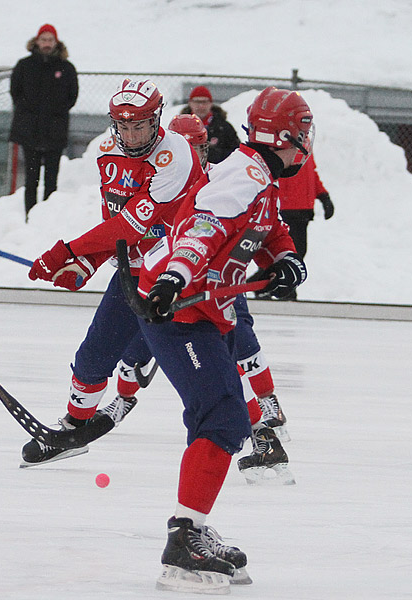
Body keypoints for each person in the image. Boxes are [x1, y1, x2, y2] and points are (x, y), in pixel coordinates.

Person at [134, 86, 313, 592]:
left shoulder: (259, 176)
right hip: (176, 311)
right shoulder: (243, 175)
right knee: (223, 416)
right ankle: (184, 537)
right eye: (301, 136)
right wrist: (174, 278)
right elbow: (203, 227)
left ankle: (190, 526)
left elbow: (268, 225)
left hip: (203, 312)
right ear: (284, 136)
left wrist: (284, 258)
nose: (304, 145)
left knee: (217, 415)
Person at [22, 78, 203, 467]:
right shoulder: (106, 150)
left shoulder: (177, 154)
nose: (131, 134)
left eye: (139, 125)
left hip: (183, 272)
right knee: (92, 357)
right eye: (123, 125)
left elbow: (132, 225)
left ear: (157, 120)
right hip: (138, 270)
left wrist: (67, 252)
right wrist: (86, 264)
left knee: (206, 363)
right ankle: (72, 428)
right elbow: (116, 220)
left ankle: (258, 429)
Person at [113, 113, 294, 483]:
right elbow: (160, 228)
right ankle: (123, 398)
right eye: (186, 146)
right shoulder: (162, 176)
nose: (194, 152)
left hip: (209, 287)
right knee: (137, 352)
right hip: (170, 288)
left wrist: (283, 257)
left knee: (239, 351)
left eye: (199, 145)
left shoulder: (232, 175)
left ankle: (263, 422)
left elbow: (251, 225)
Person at [9, 23, 79, 220]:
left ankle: (47, 219)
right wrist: (28, 114)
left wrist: (56, 112)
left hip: (55, 133)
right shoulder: (24, 66)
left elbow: (72, 96)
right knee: (31, 180)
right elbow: (16, 93)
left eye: (50, 40)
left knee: (51, 180)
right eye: (43, 39)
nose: (47, 43)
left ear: (56, 42)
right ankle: (30, 217)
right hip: (29, 132)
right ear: (37, 41)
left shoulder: (66, 68)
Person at [260, 152, 333, 300]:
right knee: (286, 251)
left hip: (302, 208)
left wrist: (323, 195)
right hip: (287, 207)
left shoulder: (304, 145)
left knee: (298, 251)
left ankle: (271, 283)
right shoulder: (283, 145)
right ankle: (266, 283)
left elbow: (311, 173)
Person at [179, 85, 240, 164]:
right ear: (190, 103)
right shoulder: (180, 126)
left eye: (204, 102)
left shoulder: (224, 127)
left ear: (211, 103)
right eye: (197, 102)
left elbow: (235, 153)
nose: (201, 106)